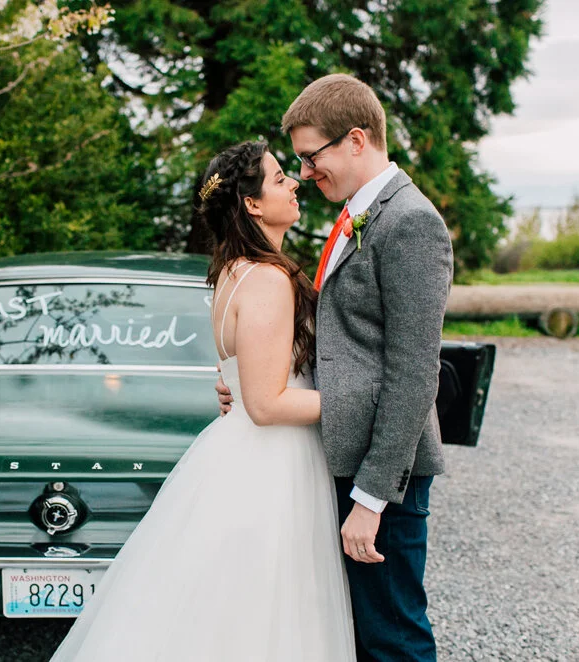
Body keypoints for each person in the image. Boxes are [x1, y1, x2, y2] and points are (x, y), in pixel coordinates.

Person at [49, 141, 356, 661]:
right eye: (280, 178)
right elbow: (265, 403)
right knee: (266, 616)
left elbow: (243, 382)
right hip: (271, 464)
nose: (294, 183)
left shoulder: (233, 272)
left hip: (241, 452)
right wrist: (357, 402)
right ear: (253, 204)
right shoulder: (267, 279)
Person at [217, 74, 453, 661]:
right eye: (294, 162)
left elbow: (414, 373)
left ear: (355, 140)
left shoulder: (410, 222)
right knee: (359, 634)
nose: (303, 172)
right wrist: (246, 376)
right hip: (346, 456)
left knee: (393, 637)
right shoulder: (357, 214)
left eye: (309, 156)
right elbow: (340, 343)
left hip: (384, 475)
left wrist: (372, 498)